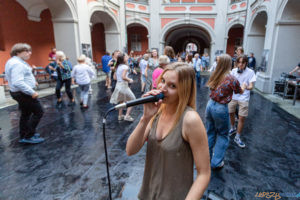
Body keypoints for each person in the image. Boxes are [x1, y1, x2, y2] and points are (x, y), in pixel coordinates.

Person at [126, 62, 210, 200]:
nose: (162, 88)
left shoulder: (190, 120)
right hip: (149, 194)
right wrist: (145, 118)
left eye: (172, 86)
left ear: (184, 91)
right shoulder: (157, 111)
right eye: (163, 81)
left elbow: (204, 173)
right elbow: (130, 150)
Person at [205, 54, 246, 169]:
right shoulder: (231, 78)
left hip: (210, 105)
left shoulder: (215, 74)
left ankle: (206, 159)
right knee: (223, 135)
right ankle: (216, 162)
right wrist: (243, 85)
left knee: (210, 132)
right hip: (220, 108)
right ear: (229, 64)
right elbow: (240, 91)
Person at [5, 43, 44, 144]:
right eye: (26, 51)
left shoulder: (14, 61)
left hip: (19, 92)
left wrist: (32, 81)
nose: (29, 53)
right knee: (39, 112)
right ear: (18, 52)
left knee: (26, 114)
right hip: (23, 93)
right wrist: (32, 92)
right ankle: (28, 135)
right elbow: (18, 82)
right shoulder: (17, 64)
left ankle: (25, 134)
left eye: (29, 51)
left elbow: (22, 76)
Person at [228, 55, 256, 148]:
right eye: (238, 62)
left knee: (241, 118)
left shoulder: (250, 72)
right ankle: (232, 128)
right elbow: (230, 82)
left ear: (246, 63)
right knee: (230, 112)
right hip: (233, 96)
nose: (240, 64)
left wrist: (246, 87)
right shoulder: (233, 71)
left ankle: (237, 137)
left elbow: (251, 86)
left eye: (242, 63)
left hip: (244, 98)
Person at [110, 53, 136, 122]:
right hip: (123, 86)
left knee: (121, 101)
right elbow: (123, 77)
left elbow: (114, 78)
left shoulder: (117, 66)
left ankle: (120, 116)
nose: (128, 57)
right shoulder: (125, 67)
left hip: (118, 85)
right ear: (123, 59)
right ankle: (127, 116)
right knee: (133, 100)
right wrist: (130, 80)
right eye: (126, 56)